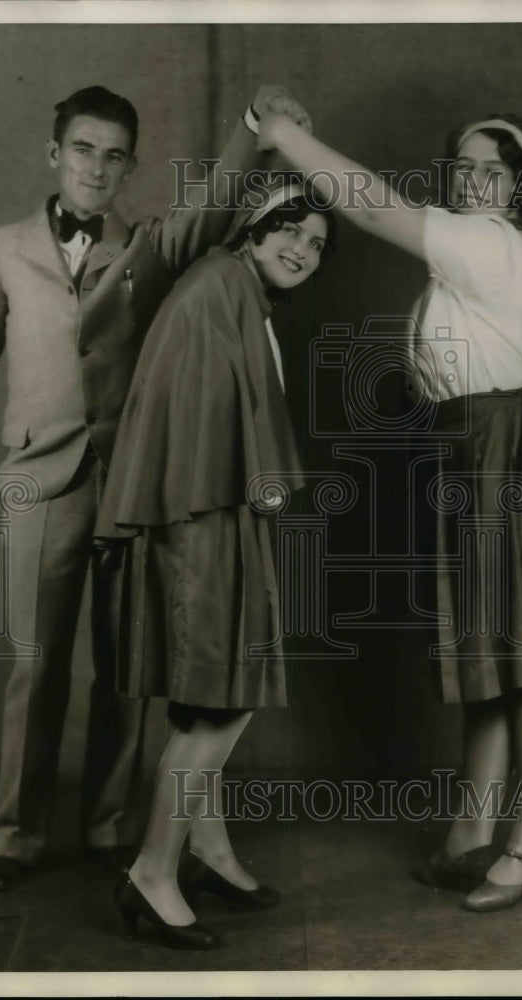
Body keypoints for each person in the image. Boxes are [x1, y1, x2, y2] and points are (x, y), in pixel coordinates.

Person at [0, 82, 312, 893]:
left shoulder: (146, 245)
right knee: (36, 667)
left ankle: (108, 827)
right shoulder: (1, 248)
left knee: (124, 669)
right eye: (82, 149)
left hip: (129, 483)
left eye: (114, 156)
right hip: (37, 481)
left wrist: (253, 129)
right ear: (54, 154)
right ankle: (13, 836)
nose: (96, 168)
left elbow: (213, 208)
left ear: (130, 166)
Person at [257, 110, 522, 912]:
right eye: (461, 166)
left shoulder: (489, 243)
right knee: (484, 648)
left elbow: (372, 205)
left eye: (491, 169)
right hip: (465, 447)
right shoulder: (467, 254)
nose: (471, 180)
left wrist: (282, 133)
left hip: (501, 451)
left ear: (518, 186)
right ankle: (471, 832)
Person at [93, 179, 335, 949]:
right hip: (203, 516)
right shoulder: (219, 285)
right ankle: (151, 873)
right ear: (253, 229)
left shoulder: (231, 288)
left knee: (212, 697)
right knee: (223, 699)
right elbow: (199, 419)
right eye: (289, 230)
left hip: (207, 509)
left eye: (316, 243)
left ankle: (208, 851)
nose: (301, 249)